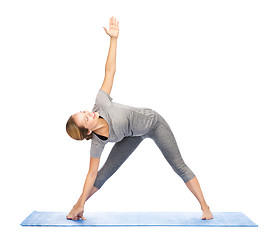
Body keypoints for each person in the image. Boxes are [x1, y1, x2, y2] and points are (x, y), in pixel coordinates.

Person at [66, 16, 213, 221]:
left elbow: (110, 71)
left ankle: (205, 207)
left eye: (83, 112)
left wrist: (113, 39)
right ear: (88, 131)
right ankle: (77, 206)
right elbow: (91, 175)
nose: (88, 113)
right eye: (85, 119)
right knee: (103, 174)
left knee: (178, 165)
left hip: (152, 123)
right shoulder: (97, 143)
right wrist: (81, 203)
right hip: (131, 135)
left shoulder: (101, 102)